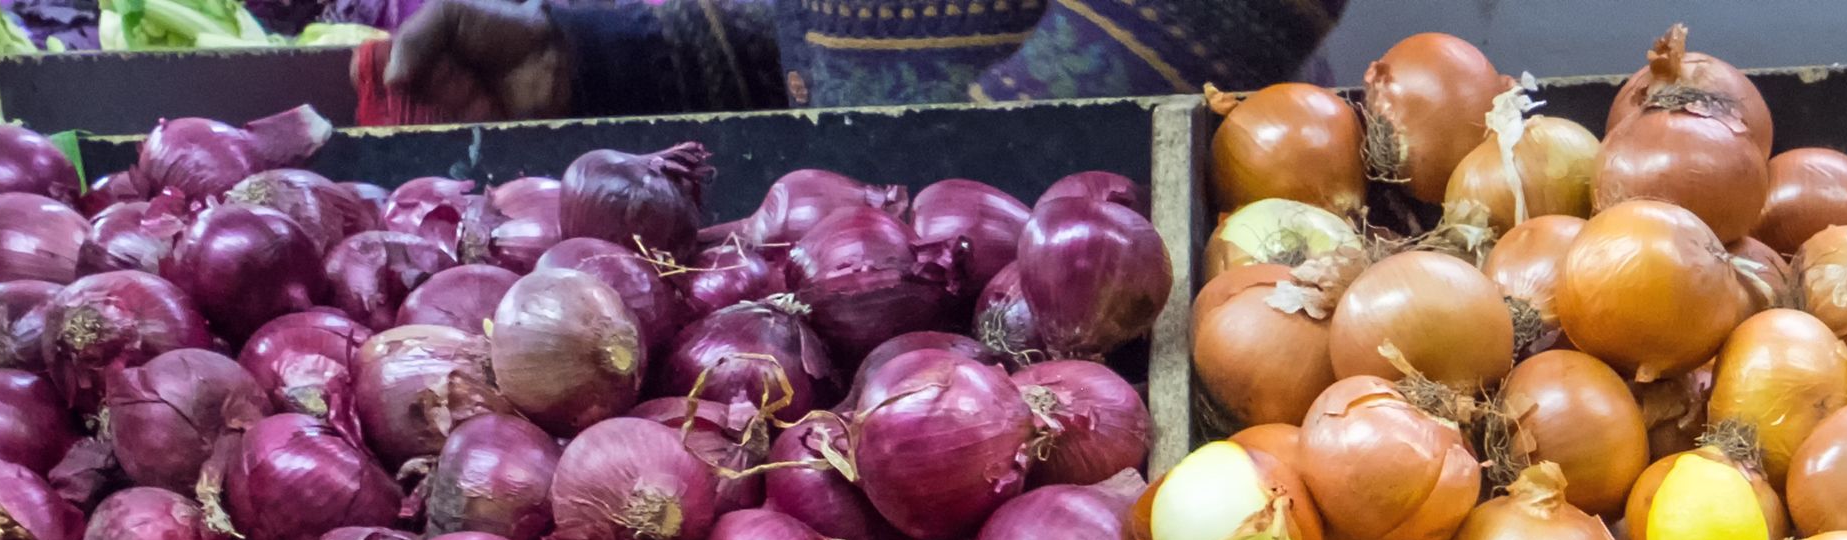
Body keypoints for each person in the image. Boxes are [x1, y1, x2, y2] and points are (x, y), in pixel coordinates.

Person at [374, 0, 1338, 116]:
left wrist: (989, 150)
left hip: (1132, 331)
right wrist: (578, 56)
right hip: (896, 322)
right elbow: (823, 44)